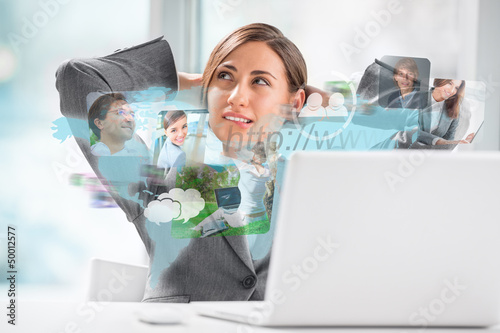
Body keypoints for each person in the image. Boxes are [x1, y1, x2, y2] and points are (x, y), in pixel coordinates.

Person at [56, 23, 306, 302]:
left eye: (260, 81)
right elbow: (78, 78)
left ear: (294, 103)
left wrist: (337, 104)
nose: (236, 98)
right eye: (225, 76)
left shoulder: (310, 184)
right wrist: (178, 82)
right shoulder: (158, 181)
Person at [417, 79, 474, 146]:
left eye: (456, 88)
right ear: (439, 81)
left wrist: (461, 144)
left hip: (434, 154)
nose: (452, 91)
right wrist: (438, 141)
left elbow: (448, 141)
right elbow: (410, 131)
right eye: (450, 83)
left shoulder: (454, 109)